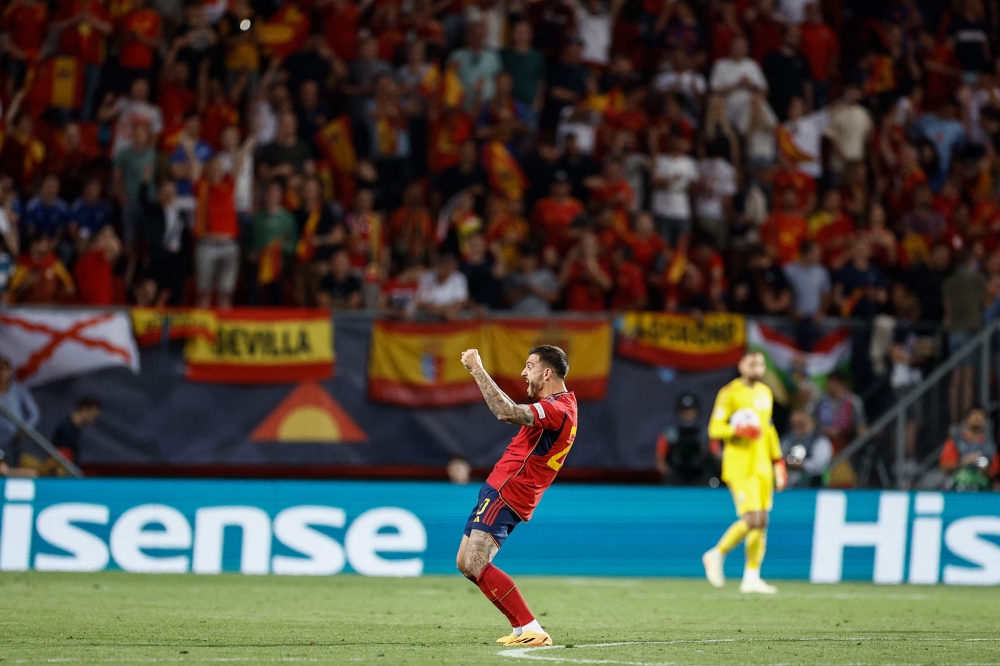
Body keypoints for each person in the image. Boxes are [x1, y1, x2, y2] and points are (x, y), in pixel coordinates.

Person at [457, 344, 578, 647]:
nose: (523, 373)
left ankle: (532, 627)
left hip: (509, 489)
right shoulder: (562, 405)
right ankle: (521, 629)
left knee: (475, 561)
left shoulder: (556, 408)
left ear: (547, 372)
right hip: (501, 487)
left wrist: (477, 369)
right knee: (465, 562)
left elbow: (505, 412)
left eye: (529, 366)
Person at [702, 351, 786, 594]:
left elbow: (768, 430)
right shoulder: (730, 393)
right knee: (752, 519)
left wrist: (778, 462)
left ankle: (751, 577)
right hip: (740, 466)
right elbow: (715, 428)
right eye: (752, 363)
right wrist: (738, 430)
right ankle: (716, 554)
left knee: (762, 522)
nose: (757, 367)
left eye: (760, 363)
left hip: (762, 467)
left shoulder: (765, 393)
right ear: (741, 366)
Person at [656, 392, 714, 485]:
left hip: (700, 476)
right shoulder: (670, 433)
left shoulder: (706, 433)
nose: (688, 414)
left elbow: (715, 454)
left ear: (697, 412)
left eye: (691, 411)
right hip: (677, 477)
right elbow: (660, 460)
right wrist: (669, 474)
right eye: (684, 411)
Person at [939, 407, 999, 491]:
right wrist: (964, 461)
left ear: (984, 421)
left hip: (982, 490)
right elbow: (945, 467)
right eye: (974, 417)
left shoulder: (990, 446)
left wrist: (986, 470)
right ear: (966, 420)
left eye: (980, 417)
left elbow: (995, 473)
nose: (977, 420)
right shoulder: (955, 442)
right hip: (957, 490)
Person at [0, 356, 40, 467]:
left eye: (3, 369)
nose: (1, 373)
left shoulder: (18, 390)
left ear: (9, 371)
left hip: (12, 438)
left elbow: (34, 413)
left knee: (12, 468)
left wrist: (24, 429)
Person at [780, 410, 833, 488]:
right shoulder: (787, 440)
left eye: (801, 423)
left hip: (814, 487)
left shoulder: (820, 440)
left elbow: (818, 464)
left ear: (809, 422)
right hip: (788, 487)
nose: (797, 427)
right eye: (794, 424)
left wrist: (799, 464)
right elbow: (780, 455)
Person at [51, 397, 101, 464]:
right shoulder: (66, 429)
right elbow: (59, 456)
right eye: (92, 415)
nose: (93, 421)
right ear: (84, 409)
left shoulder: (75, 430)